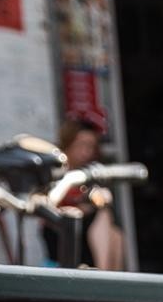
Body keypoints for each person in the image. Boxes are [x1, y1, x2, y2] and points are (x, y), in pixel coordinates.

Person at [46, 116, 125, 271]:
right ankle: (103, 277)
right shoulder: (54, 172)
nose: (86, 152)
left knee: (116, 234)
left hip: (85, 242)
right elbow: (47, 208)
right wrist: (83, 207)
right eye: (82, 145)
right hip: (59, 237)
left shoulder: (89, 175)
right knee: (102, 217)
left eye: (91, 146)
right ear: (68, 144)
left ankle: (110, 282)